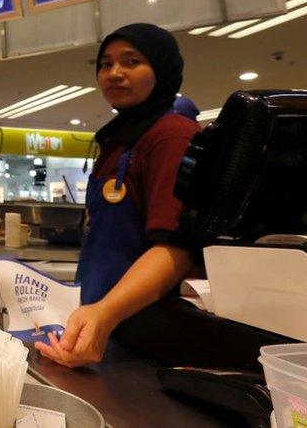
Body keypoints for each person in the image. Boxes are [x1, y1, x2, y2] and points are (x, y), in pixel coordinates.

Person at [35, 23, 200, 368]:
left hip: (146, 331)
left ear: (163, 69)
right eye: (106, 64)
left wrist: (106, 313)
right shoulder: (119, 140)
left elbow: (175, 248)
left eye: (132, 61)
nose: (114, 73)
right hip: (101, 323)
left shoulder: (173, 136)